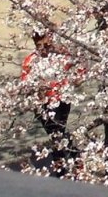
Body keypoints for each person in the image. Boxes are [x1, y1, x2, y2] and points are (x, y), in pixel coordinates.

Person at [21, 32, 79, 170]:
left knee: (59, 133)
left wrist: (73, 81)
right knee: (56, 134)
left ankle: (69, 161)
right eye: (38, 45)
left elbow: (77, 70)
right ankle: (67, 163)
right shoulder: (30, 60)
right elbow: (24, 83)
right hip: (44, 104)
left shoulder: (61, 55)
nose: (43, 48)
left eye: (46, 44)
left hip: (62, 100)